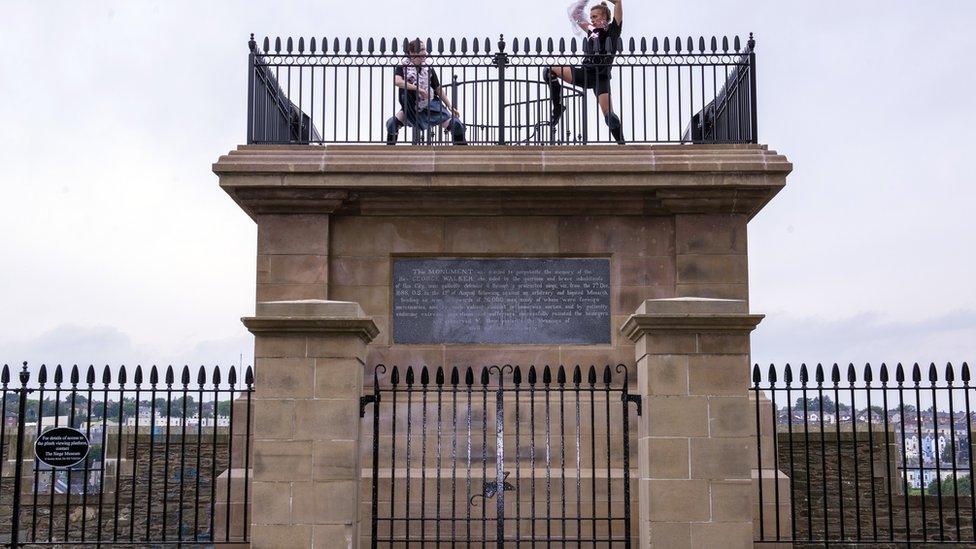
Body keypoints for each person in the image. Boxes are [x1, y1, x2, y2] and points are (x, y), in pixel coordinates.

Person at [544, 0, 625, 144]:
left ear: (604, 17)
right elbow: (575, 14)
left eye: (595, 16)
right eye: (591, 16)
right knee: (549, 70)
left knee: (610, 117)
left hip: (601, 78)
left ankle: (622, 144)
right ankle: (558, 107)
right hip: (585, 73)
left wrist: (616, 2)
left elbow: (618, 6)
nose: (592, 19)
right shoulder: (591, 30)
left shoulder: (613, 30)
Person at [385, 39, 467, 145]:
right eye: (422, 49)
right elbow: (398, 81)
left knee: (456, 125)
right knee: (392, 124)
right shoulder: (402, 67)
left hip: (431, 106)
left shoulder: (428, 69)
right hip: (411, 107)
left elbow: (438, 88)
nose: (425, 52)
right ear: (412, 52)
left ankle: (462, 153)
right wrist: (418, 89)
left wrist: (449, 106)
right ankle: (389, 154)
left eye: (425, 49)